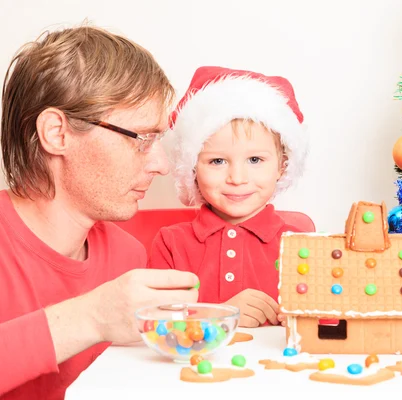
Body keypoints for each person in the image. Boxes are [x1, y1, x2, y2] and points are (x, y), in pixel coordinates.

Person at [0, 25, 199, 399]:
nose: (161, 165)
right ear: (57, 133)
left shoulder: (128, 257)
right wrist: (92, 316)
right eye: (142, 139)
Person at [148, 66, 309, 328]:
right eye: (218, 161)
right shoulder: (171, 243)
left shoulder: (300, 246)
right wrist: (221, 315)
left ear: (283, 166)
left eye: (255, 159)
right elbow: (153, 323)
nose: (237, 178)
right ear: (192, 168)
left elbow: (324, 323)